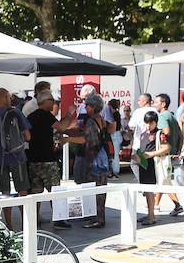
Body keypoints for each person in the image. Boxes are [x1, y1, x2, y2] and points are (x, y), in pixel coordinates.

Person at [63, 93, 110, 228]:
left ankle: (95, 219)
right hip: (102, 159)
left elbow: (85, 139)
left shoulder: (91, 121)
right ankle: (100, 218)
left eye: (88, 105)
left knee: (93, 189)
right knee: (101, 190)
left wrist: (68, 139)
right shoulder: (101, 119)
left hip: (93, 159)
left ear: (94, 106)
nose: (86, 107)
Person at [25, 94, 69, 228]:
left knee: (36, 191)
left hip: (33, 159)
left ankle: (34, 219)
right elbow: (62, 126)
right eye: (52, 100)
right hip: (48, 160)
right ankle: (59, 219)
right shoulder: (46, 115)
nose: (54, 103)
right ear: (45, 102)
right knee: (55, 191)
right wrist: (69, 113)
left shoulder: (31, 116)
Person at [154, 93, 184, 215]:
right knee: (164, 179)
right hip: (170, 154)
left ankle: (174, 205)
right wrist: (177, 150)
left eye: (156, 102)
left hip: (163, 155)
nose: (155, 104)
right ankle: (156, 205)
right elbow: (180, 135)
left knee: (164, 180)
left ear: (163, 104)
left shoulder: (162, 116)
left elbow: (165, 131)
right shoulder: (172, 116)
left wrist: (160, 138)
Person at [132, 110, 164, 224]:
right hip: (143, 165)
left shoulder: (159, 134)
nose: (148, 125)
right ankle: (149, 214)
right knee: (146, 191)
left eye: (151, 123)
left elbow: (166, 148)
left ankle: (151, 216)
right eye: (146, 123)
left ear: (155, 123)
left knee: (149, 191)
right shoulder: (142, 134)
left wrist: (150, 154)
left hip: (152, 165)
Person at [107, 98, 124, 176]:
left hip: (115, 135)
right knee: (113, 154)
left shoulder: (115, 114)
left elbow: (115, 126)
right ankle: (113, 170)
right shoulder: (115, 113)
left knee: (115, 155)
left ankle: (115, 171)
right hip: (115, 135)